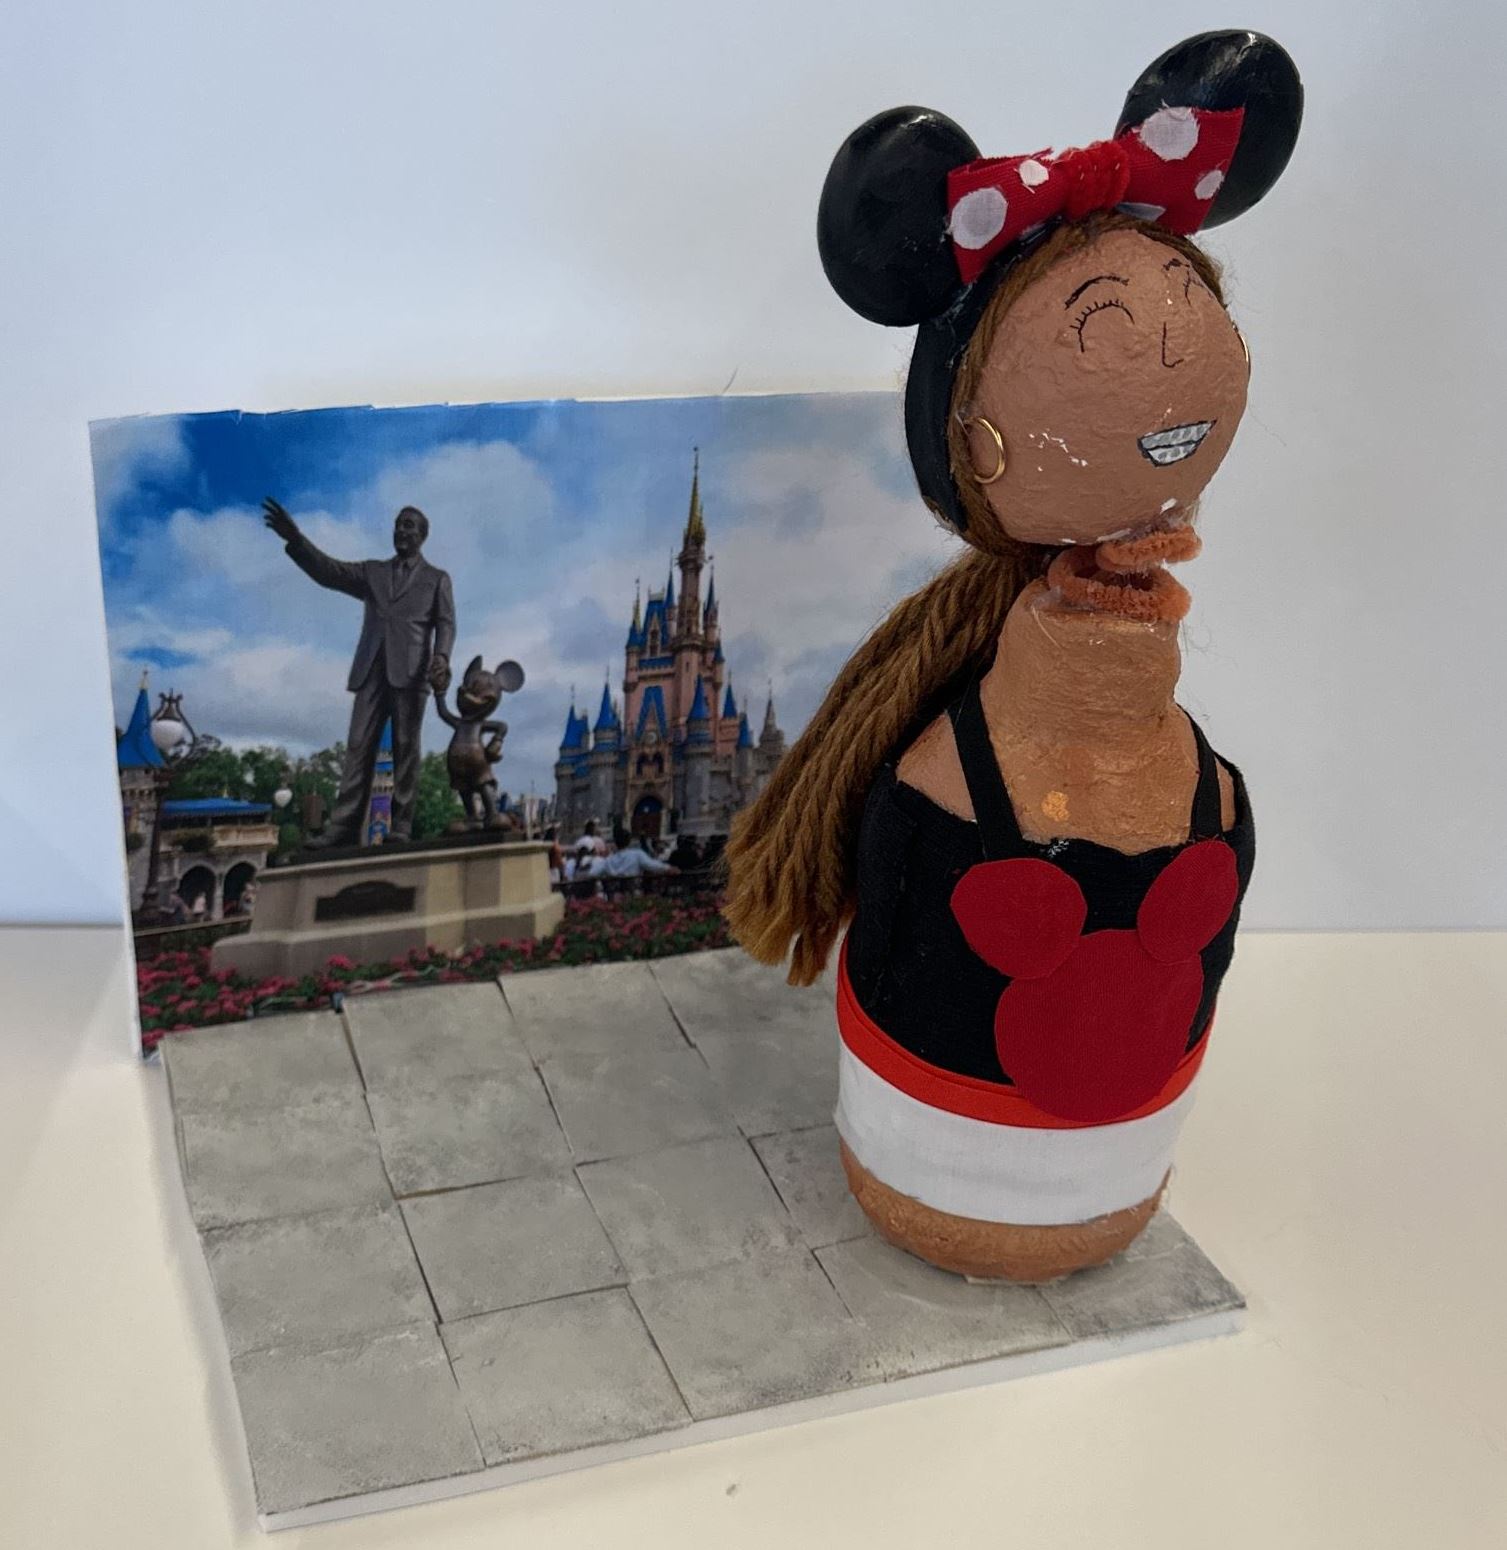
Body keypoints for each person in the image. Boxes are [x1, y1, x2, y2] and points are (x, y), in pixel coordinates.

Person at [724, 33, 1298, 1280]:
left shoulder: (1082, 764)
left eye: (1187, 304)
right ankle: (954, 1157)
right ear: (974, 443)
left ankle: (1091, 1155)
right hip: (926, 1125)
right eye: (1106, 327)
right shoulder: (948, 774)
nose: (1172, 348)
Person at [263, 498, 455, 846]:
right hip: (370, 670)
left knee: (406, 749)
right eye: (398, 524)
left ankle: (401, 825)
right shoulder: (372, 572)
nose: (401, 530)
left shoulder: (436, 579)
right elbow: (330, 572)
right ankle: (344, 827)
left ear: (423, 535)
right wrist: (296, 540)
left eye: (409, 525)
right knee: (357, 747)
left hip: (412, 673)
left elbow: (446, 623)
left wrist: (441, 656)